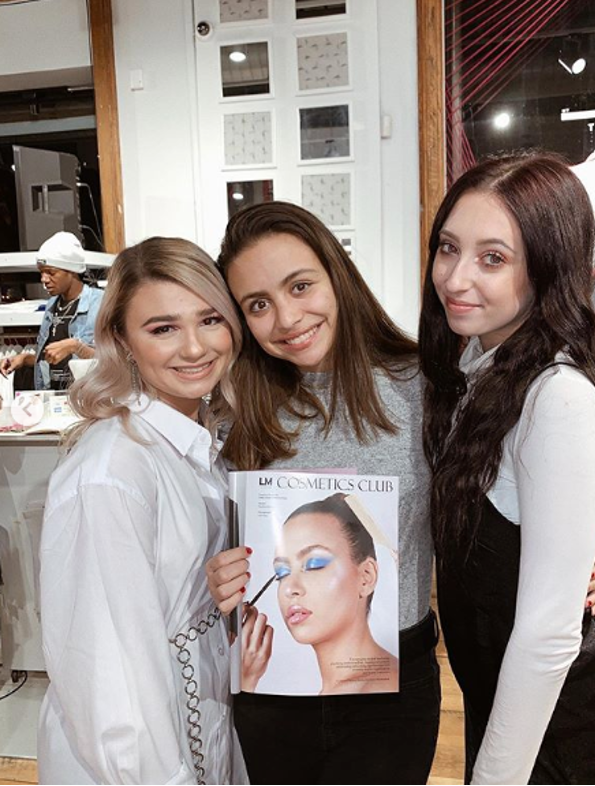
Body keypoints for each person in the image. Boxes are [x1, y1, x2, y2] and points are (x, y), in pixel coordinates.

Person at [204, 201, 595, 786]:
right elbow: (228, 549)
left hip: (393, 691)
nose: (287, 318)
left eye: (300, 286)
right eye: (258, 305)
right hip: (273, 689)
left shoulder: (427, 384)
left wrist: (588, 549)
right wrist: (222, 576)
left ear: (336, 276)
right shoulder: (232, 409)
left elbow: (517, 487)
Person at [419, 152, 595, 785]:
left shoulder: (557, 397)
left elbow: (547, 637)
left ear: (547, 267)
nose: (457, 278)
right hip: (506, 712)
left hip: (561, 735)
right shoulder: (473, 366)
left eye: (493, 258)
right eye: (448, 248)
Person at [38, 237, 248, 785]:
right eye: (162, 328)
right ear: (121, 341)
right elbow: (108, 672)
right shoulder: (113, 472)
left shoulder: (199, 440)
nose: (195, 347)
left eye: (210, 319)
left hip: (200, 719)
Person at [243, 492, 398, 695]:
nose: (290, 588)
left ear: (366, 576)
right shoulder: (334, 690)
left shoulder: (380, 688)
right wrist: (246, 680)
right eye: (282, 573)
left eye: (314, 564)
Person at [0, 231, 103, 391]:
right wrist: (24, 359)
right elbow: (54, 360)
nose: (44, 279)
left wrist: (76, 347)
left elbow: (116, 362)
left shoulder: (101, 303)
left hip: (87, 401)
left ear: (72, 270)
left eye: (51, 272)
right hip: (54, 403)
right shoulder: (52, 305)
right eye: (41, 272)